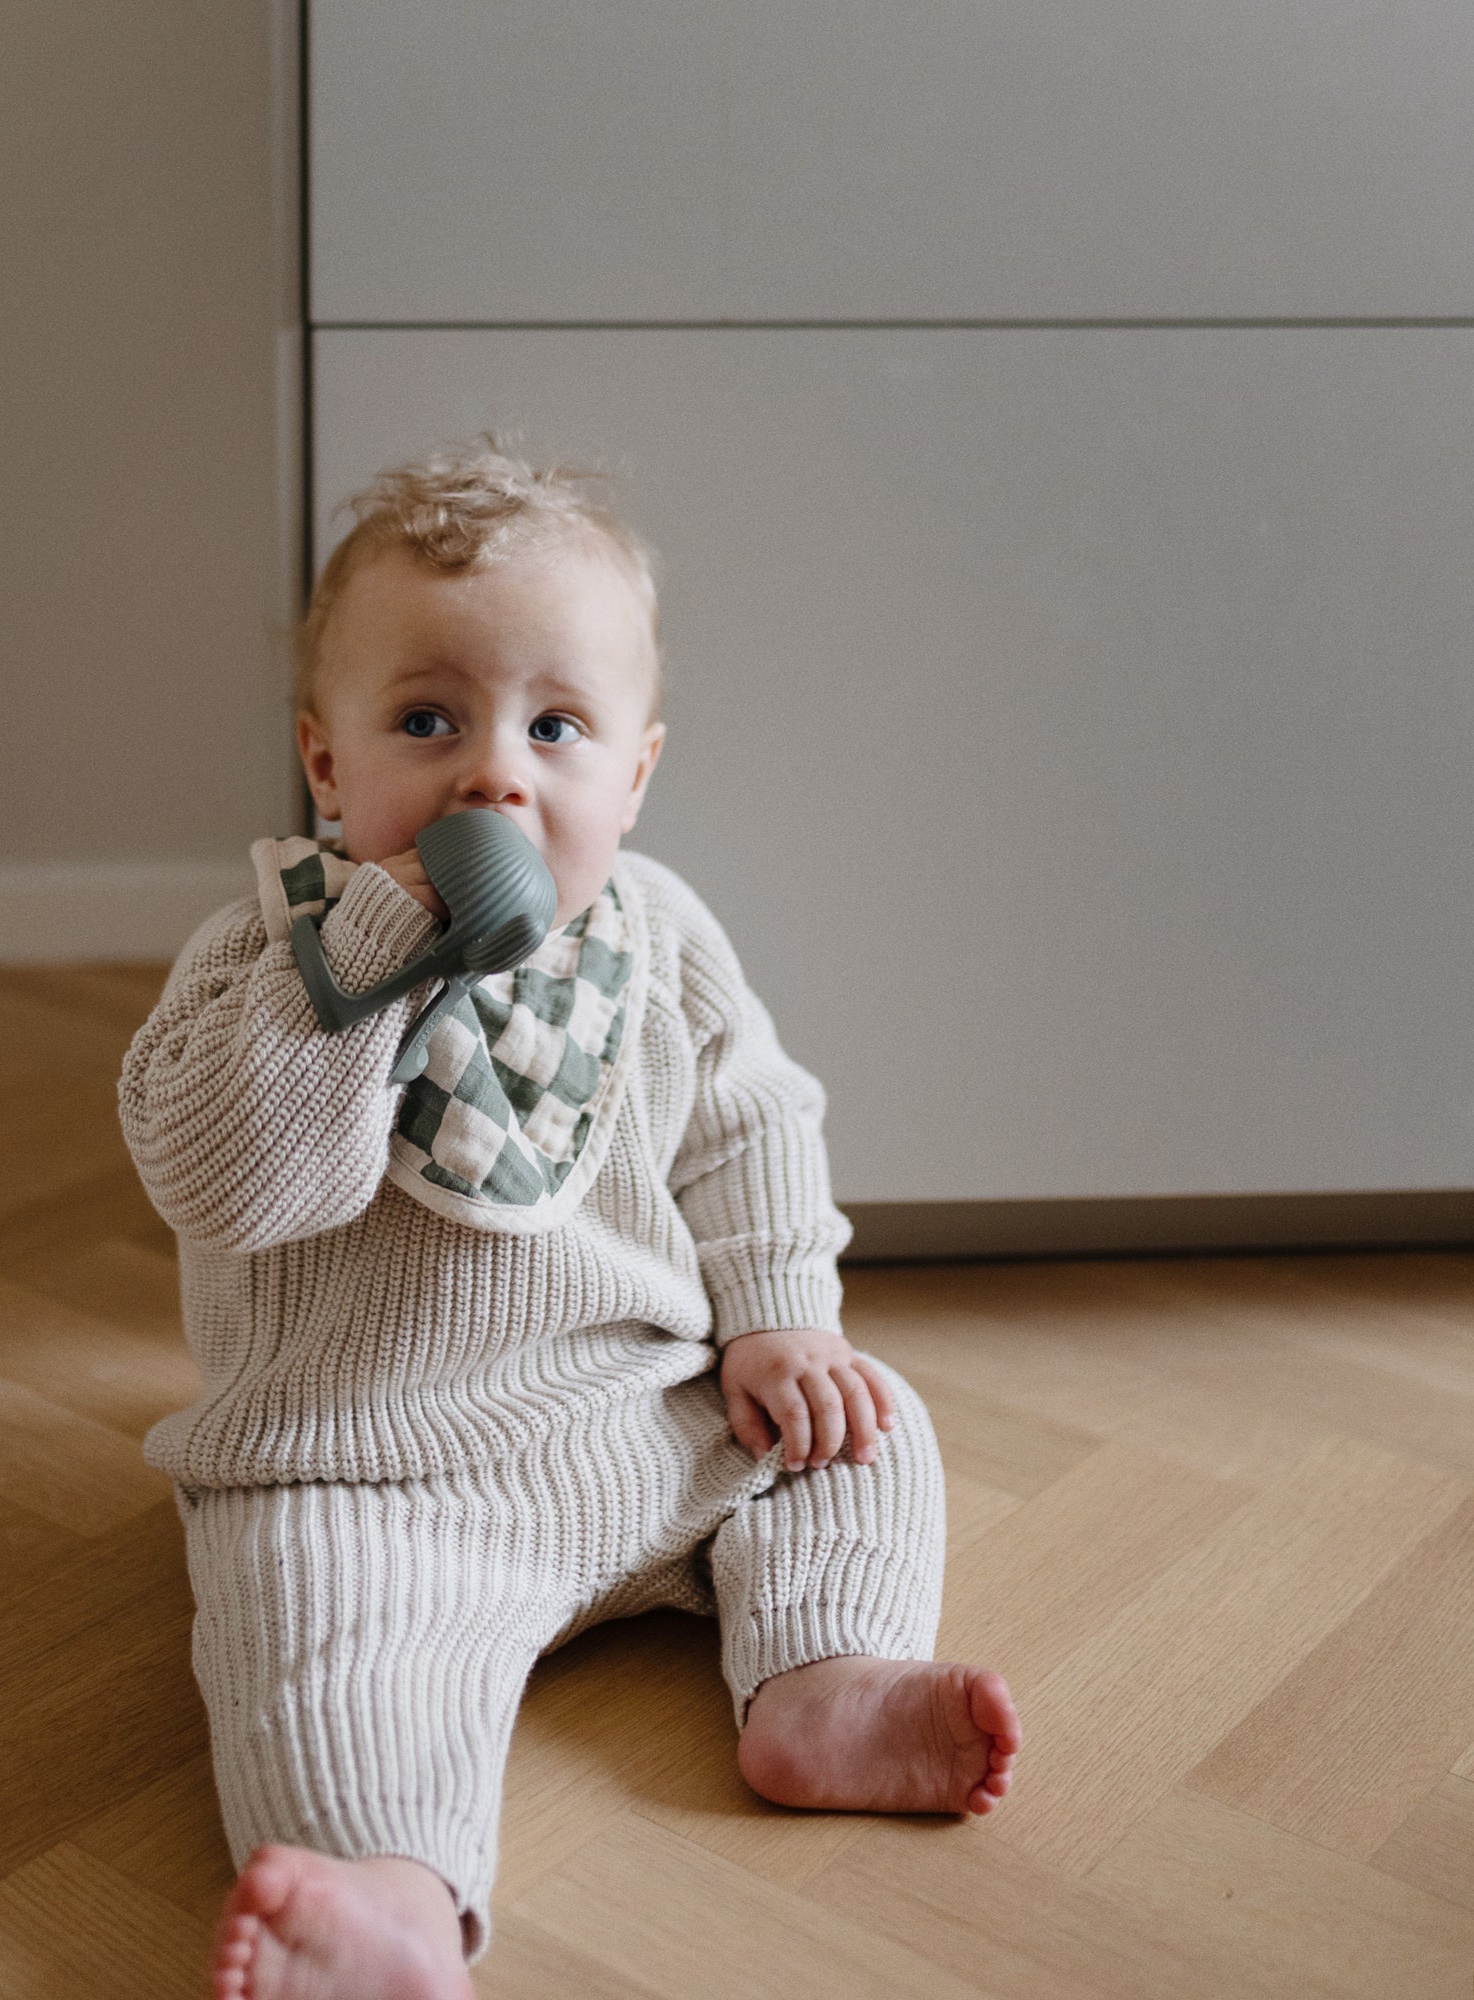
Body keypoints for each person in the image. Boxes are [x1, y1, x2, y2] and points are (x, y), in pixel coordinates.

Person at [118, 436, 1022, 2000]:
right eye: (426, 720)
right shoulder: (269, 963)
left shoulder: (658, 939)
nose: (495, 775)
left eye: (556, 726)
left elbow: (750, 1126)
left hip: (646, 1421)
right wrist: (375, 963)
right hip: (372, 1471)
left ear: (636, 769)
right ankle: (392, 1893)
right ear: (328, 765)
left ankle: (821, 1676)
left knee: (861, 1431)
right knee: (318, 1639)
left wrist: (782, 1321)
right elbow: (236, 1184)